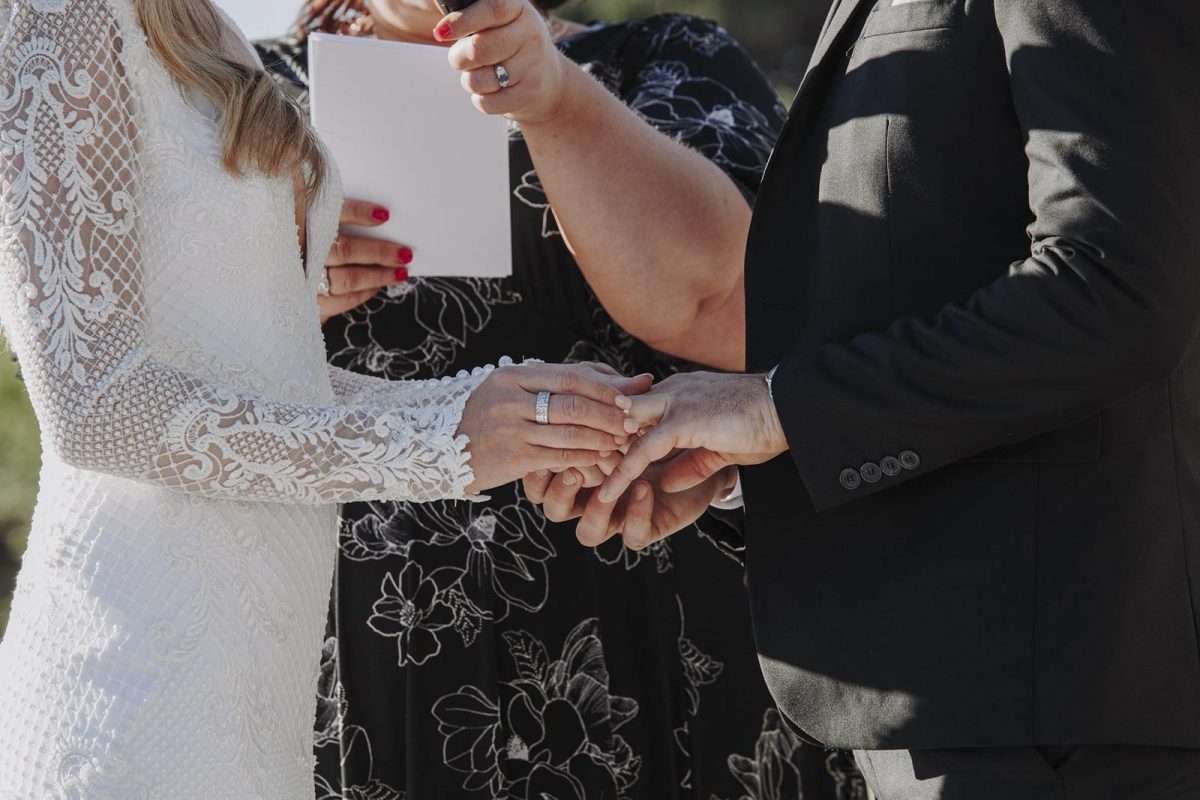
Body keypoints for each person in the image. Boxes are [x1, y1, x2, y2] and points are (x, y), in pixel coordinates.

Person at [536, 1, 1200, 798]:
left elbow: (1114, 287)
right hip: (953, 697)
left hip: (1058, 704)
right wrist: (758, 457)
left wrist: (780, 410)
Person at [0, 0, 646, 794]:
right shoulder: (55, 13)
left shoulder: (203, 23)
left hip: (257, 698)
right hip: (130, 682)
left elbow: (260, 371)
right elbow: (97, 405)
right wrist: (441, 440)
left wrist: (502, 406)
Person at [257, 1, 869, 798]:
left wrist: (556, 97)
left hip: (654, 615)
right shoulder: (242, 93)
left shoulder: (665, 58)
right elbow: (134, 376)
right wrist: (263, 295)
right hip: (362, 647)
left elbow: (742, 313)